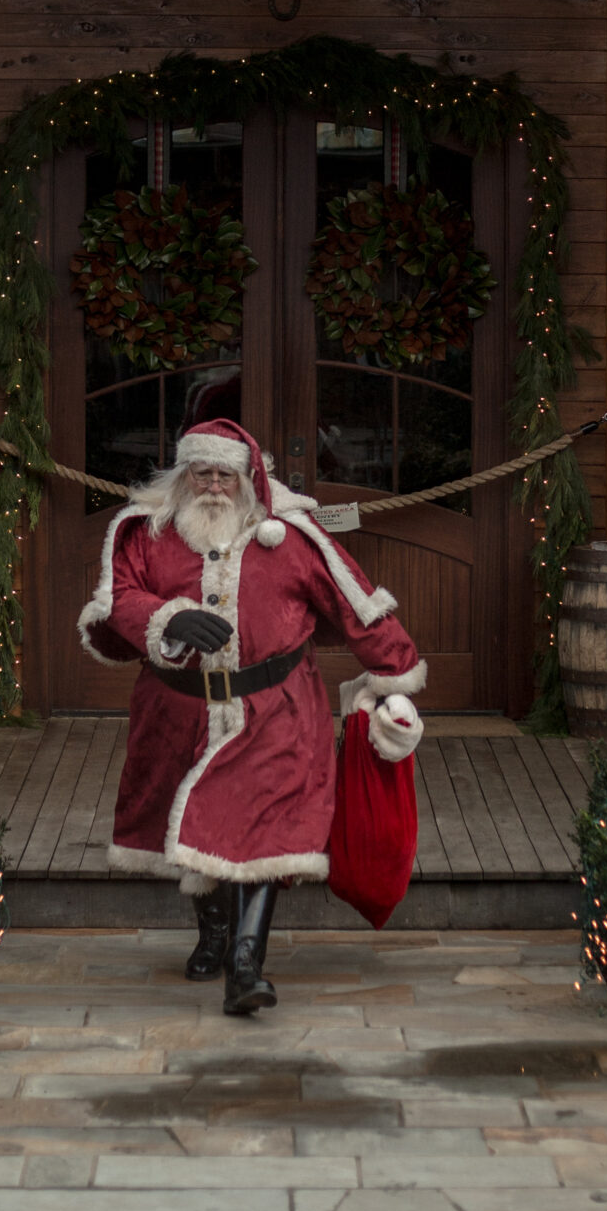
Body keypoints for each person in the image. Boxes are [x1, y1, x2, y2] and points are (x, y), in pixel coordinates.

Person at [77, 417, 425, 1015]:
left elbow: (356, 604)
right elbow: (118, 600)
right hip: (176, 710)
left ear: (249, 477)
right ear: (183, 475)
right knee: (189, 821)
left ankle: (245, 963)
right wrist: (166, 619)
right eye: (201, 473)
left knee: (267, 828)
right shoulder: (144, 532)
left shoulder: (291, 538)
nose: (213, 486)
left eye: (225, 474)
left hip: (277, 711)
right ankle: (213, 933)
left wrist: (396, 675)